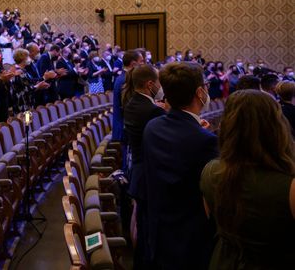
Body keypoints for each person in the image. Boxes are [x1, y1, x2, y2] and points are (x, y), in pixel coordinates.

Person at [200, 90, 295, 269]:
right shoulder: (289, 185)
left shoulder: (210, 171)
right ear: (277, 126)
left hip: (225, 261)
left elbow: (212, 217)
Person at [143, 62, 218, 270]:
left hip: (159, 233)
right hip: (191, 241)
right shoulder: (206, 141)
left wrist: (197, 128)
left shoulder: (153, 127)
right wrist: (200, 132)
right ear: (200, 92)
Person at [123, 64, 167, 269]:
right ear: (150, 84)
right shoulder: (151, 110)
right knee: (146, 231)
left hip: (138, 171)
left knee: (140, 222)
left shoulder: (134, 102)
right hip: (147, 174)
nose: (160, 86)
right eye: (158, 82)